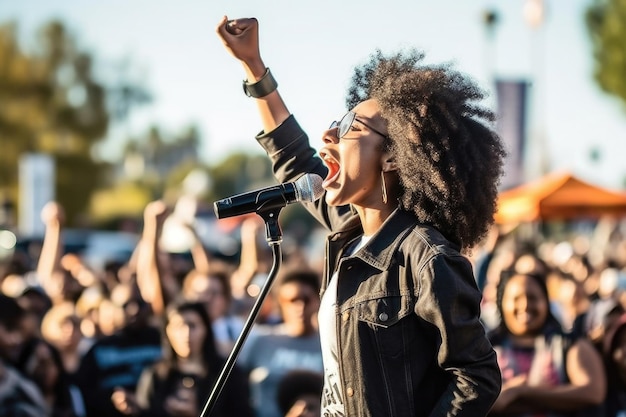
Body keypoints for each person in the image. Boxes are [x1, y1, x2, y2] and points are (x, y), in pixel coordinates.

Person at [216, 16, 503, 416]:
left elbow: (476, 376)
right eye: (334, 123)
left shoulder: (426, 256)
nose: (328, 135)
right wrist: (253, 67)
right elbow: (295, 158)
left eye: (349, 126)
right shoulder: (348, 234)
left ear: (391, 155)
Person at [487, 270, 606, 416]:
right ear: (501, 303)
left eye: (533, 298)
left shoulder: (569, 344)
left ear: (546, 302)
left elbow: (592, 392)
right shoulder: (485, 348)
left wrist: (520, 392)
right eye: (516, 298)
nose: (525, 305)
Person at [110, 301, 253, 417]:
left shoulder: (227, 373)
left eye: (192, 325)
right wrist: (135, 409)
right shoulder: (155, 374)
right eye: (179, 326)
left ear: (206, 330)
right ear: (167, 331)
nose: (186, 333)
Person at [238, 267, 323, 417]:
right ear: (280, 303)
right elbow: (235, 385)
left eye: (306, 299)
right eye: (292, 300)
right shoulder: (260, 340)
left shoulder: (328, 344)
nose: (300, 307)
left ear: (317, 300)